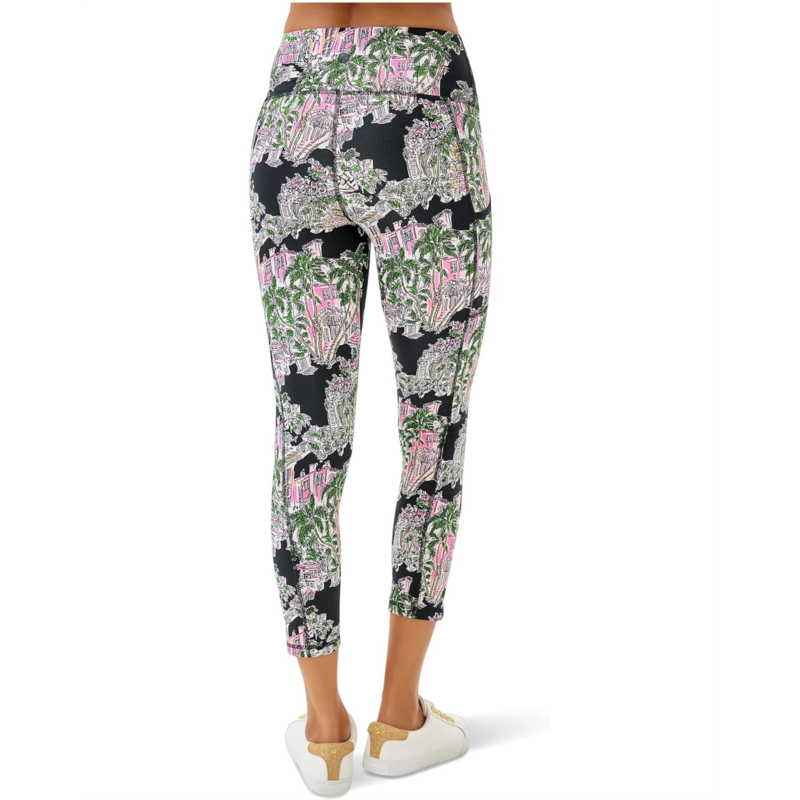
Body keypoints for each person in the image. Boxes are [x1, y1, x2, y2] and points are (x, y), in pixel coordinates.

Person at [248, 3, 492, 794]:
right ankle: (398, 719)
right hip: (416, 86)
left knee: (305, 437)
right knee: (433, 423)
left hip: (294, 99)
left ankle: (324, 731)